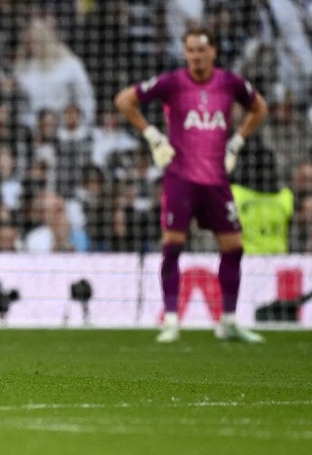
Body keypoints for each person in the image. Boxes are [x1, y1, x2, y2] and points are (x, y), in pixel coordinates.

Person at [114, 29, 268, 344]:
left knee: (234, 247)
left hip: (216, 180)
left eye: (201, 49)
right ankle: (171, 320)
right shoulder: (171, 82)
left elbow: (260, 108)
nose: (196, 56)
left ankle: (228, 321)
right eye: (190, 50)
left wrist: (236, 143)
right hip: (180, 178)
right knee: (172, 245)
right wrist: (153, 136)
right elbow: (124, 101)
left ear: (213, 52)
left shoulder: (230, 83)